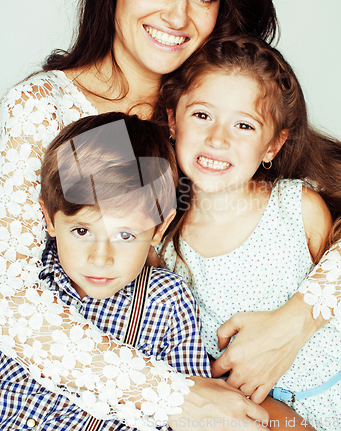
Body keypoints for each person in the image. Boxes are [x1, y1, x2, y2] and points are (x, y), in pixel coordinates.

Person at [0, 0, 278, 426]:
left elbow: (337, 212)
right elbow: (9, 300)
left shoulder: (216, 116)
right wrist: (171, 397)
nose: (177, 17)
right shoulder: (40, 109)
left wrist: (295, 322)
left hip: (233, 372)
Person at [158, 35, 341, 430]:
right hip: (265, 417)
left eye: (244, 125)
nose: (218, 138)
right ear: (171, 120)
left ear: (272, 146)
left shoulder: (296, 208)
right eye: (201, 115)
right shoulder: (162, 242)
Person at [0, 111, 215, 429]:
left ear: (159, 228)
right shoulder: (28, 281)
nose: (101, 257)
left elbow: (193, 411)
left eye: (125, 235)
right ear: (49, 219)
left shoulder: (168, 301)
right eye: (82, 231)